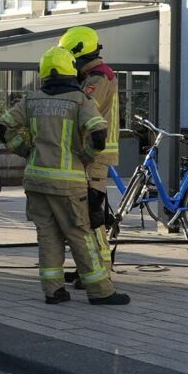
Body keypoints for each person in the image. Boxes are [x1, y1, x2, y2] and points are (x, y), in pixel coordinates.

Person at [0, 48, 130, 306]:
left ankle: (53, 291)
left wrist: (24, 150)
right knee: (80, 235)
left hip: (36, 181)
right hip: (69, 184)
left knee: (47, 236)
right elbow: (98, 134)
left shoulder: (31, 99)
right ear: (70, 68)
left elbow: (4, 125)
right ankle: (100, 291)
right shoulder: (79, 100)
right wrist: (86, 156)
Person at [60, 26, 120, 288]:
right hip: (89, 155)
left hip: (95, 156)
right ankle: (89, 267)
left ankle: (99, 271)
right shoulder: (92, 76)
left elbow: (83, 110)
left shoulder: (98, 78)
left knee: (93, 215)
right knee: (84, 216)